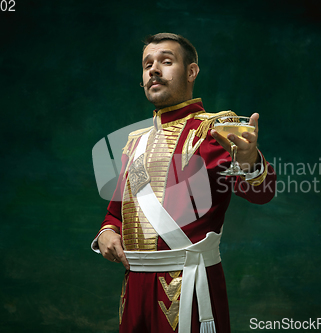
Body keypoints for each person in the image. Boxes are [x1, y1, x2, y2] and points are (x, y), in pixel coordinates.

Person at [91, 33, 276, 333]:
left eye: (166, 61)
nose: (154, 69)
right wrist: (107, 232)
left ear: (191, 72)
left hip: (187, 286)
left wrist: (248, 158)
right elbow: (115, 213)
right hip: (134, 288)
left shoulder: (214, 129)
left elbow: (262, 193)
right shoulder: (133, 143)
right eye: (147, 64)